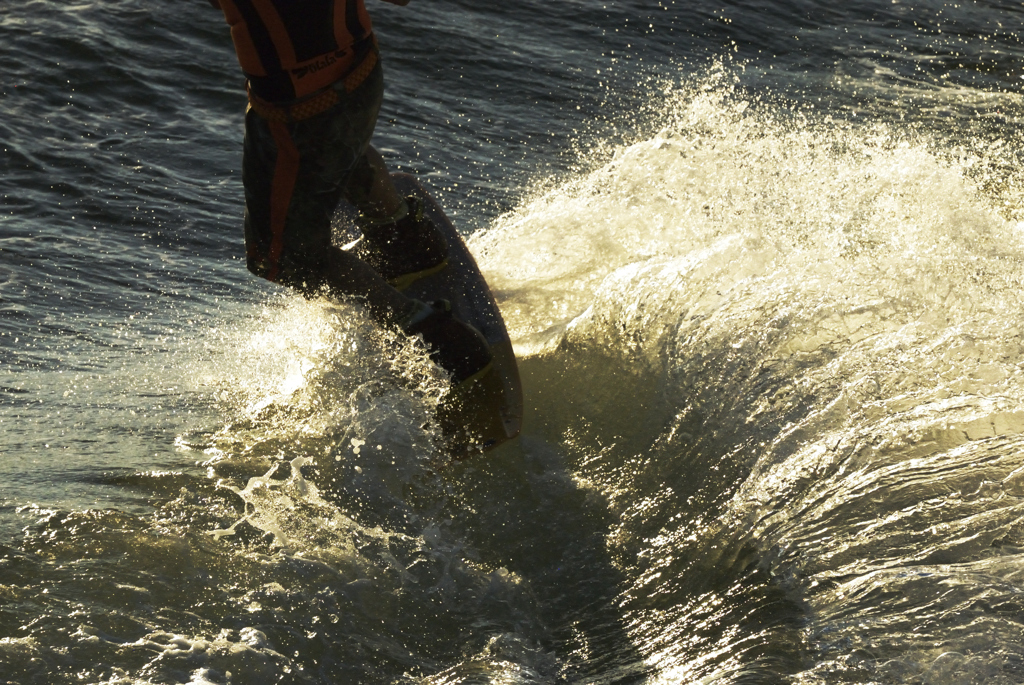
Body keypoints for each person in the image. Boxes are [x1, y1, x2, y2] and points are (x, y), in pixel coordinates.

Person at [208, 0, 492, 387]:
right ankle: (404, 238)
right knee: (340, 150)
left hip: (300, 114)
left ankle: (432, 333)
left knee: (281, 258)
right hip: (360, 78)